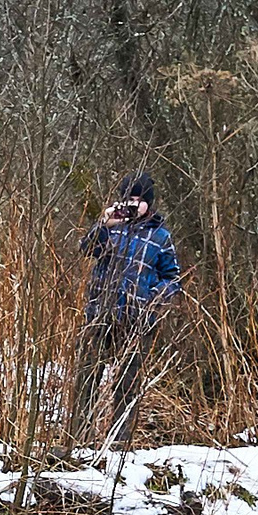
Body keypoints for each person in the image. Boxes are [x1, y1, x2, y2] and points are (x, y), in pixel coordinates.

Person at [67, 172, 181, 445]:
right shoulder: (111, 229)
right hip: (100, 314)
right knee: (87, 376)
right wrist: (103, 224)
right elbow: (87, 249)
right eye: (128, 198)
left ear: (149, 204)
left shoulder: (160, 236)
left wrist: (151, 299)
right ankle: (78, 439)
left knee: (127, 383)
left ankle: (120, 444)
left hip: (137, 321)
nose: (132, 204)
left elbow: (173, 278)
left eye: (138, 200)